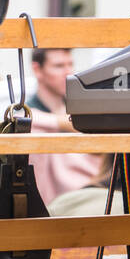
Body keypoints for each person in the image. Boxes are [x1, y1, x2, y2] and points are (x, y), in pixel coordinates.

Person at [26, 47, 106, 206]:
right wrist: (66, 122)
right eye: (59, 66)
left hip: (92, 197)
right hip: (53, 206)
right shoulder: (30, 116)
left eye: (70, 64)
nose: (68, 72)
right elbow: (22, 119)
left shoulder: (79, 108)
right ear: (37, 70)